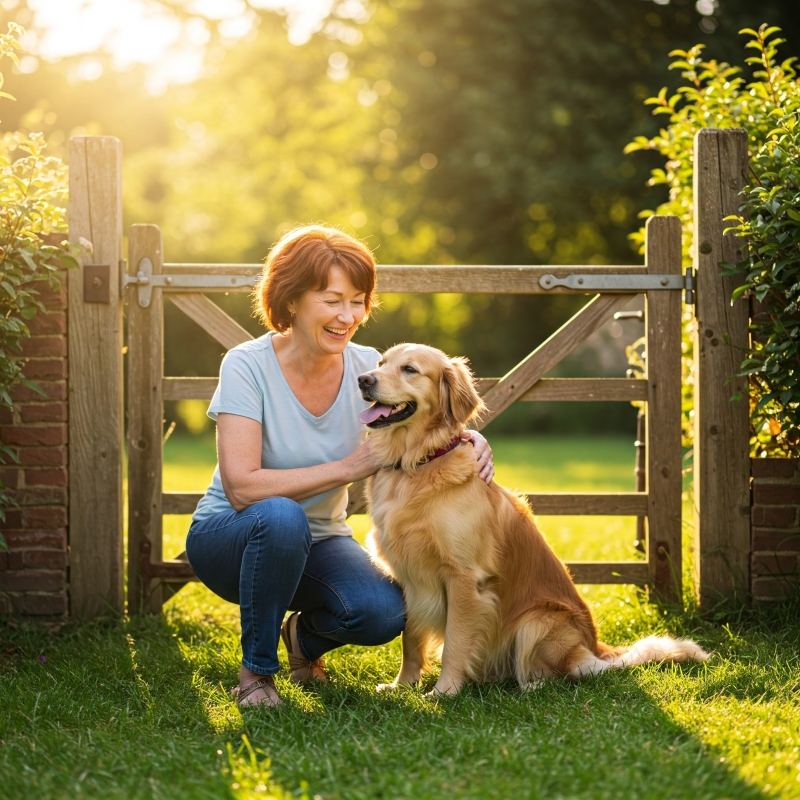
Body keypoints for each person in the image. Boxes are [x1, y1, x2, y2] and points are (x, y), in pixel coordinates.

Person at [185, 225, 494, 708]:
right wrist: (348, 466)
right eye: (331, 300)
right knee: (282, 515)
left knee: (381, 613)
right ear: (290, 301)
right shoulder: (246, 365)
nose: (347, 316)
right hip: (233, 536)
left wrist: (467, 434)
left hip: (322, 539)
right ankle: (256, 675)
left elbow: (426, 408)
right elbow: (243, 487)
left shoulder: (371, 367)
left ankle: (302, 641)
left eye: (357, 301)